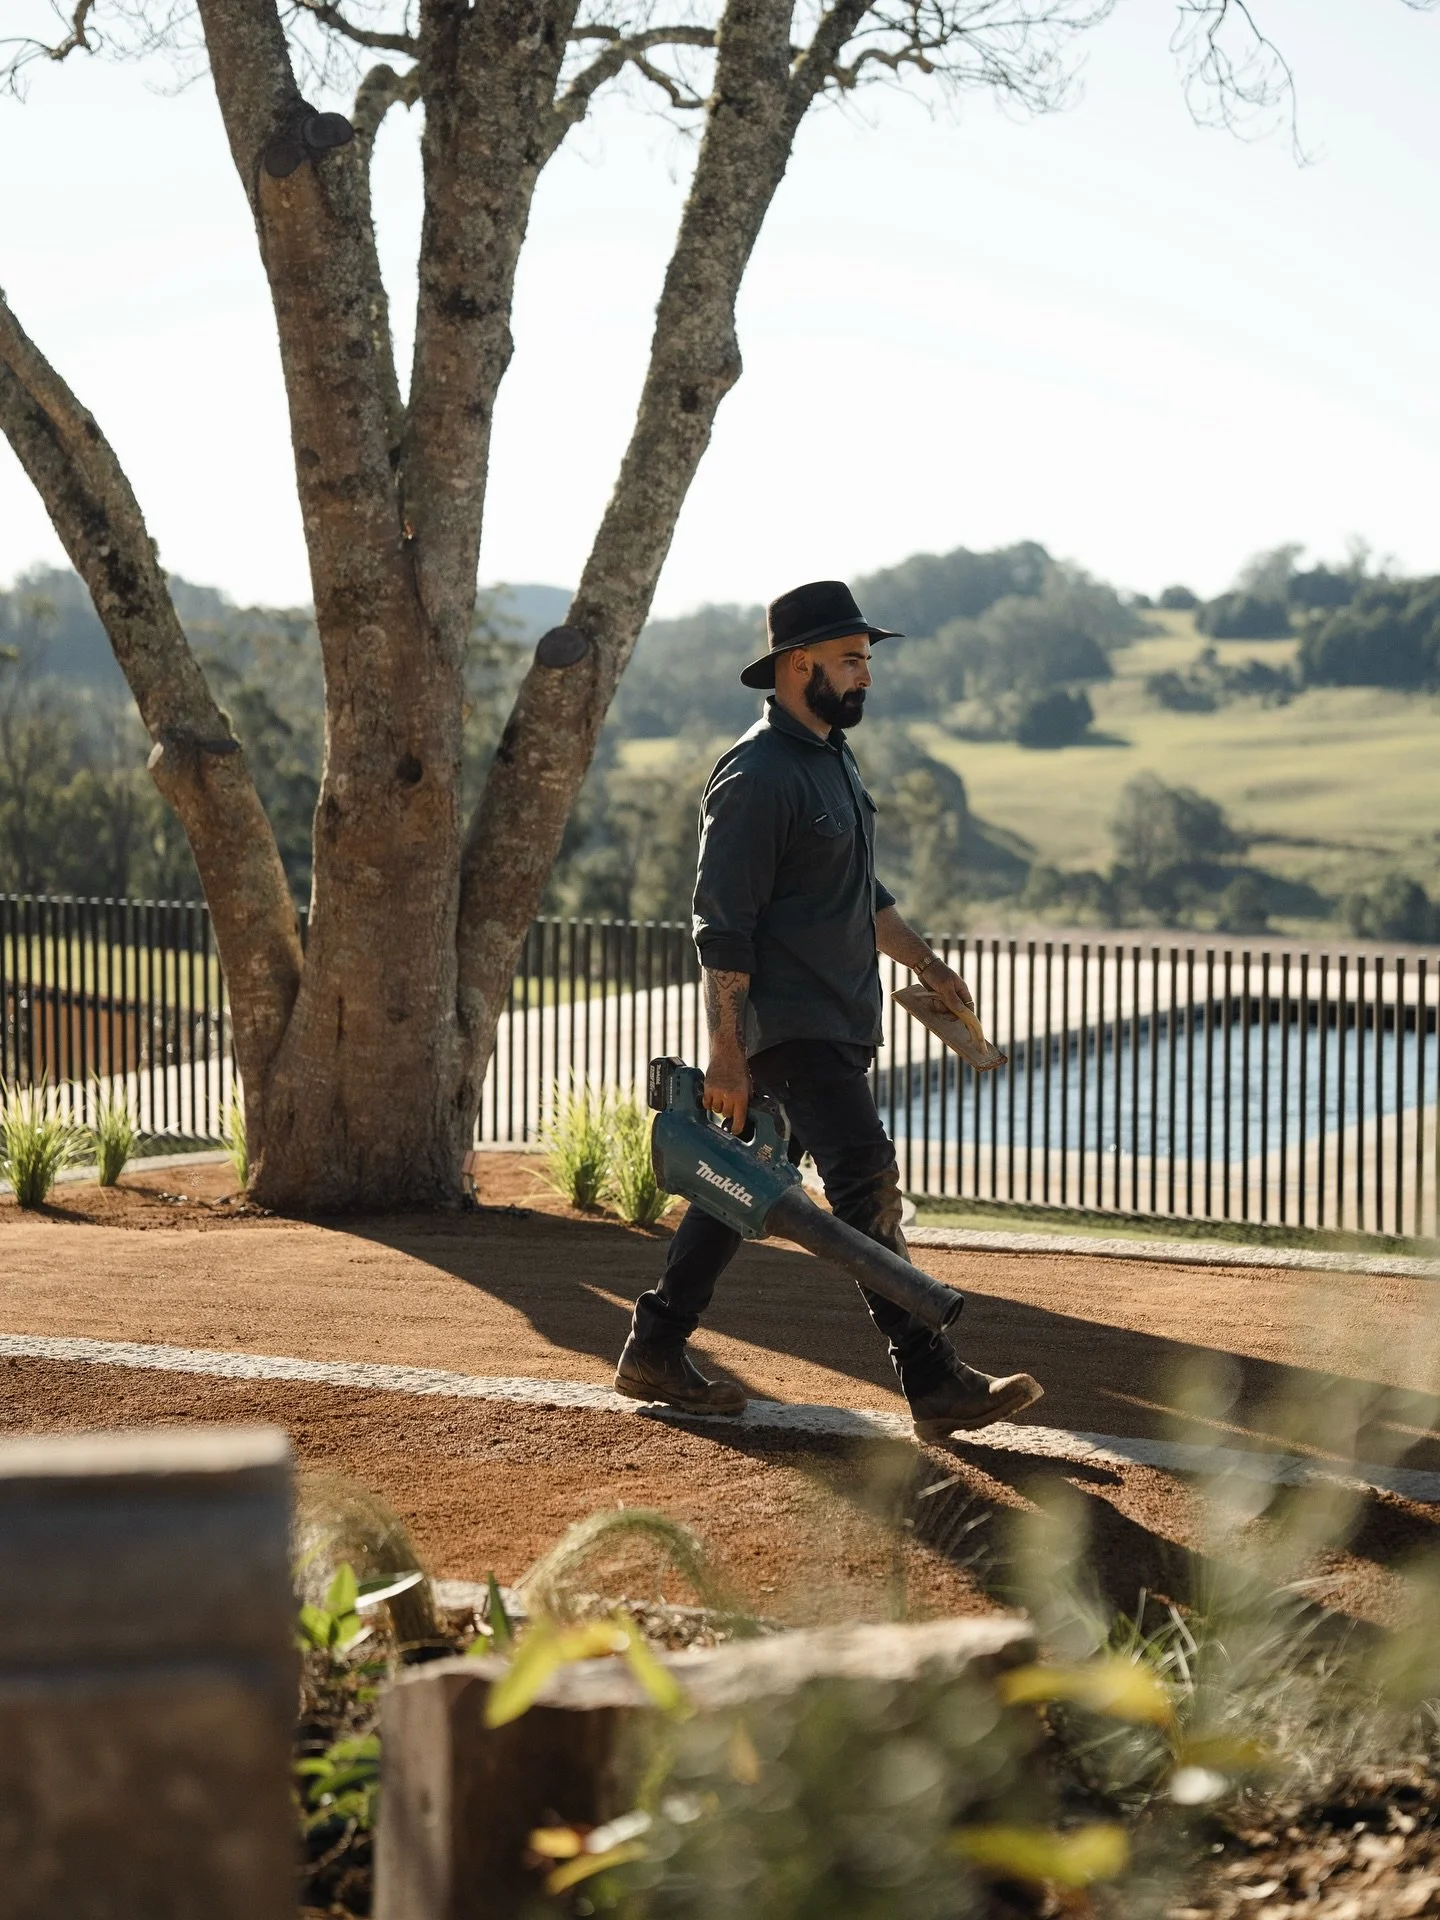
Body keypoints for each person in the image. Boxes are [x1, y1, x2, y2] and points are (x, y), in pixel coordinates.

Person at [614, 579, 1043, 1442]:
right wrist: (727, 1052)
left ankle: (655, 1343)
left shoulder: (830, 759)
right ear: (797, 664)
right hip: (791, 1030)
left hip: (839, 1023)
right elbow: (721, 928)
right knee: (865, 1184)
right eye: (851, 662)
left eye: (867, 662)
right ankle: (933, 1380)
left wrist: (930, 963)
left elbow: (864, 898)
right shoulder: (755, 774)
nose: (866, 678)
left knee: (742, 1187)